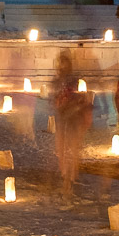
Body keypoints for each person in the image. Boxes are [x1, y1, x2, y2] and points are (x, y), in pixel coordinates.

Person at [51, 50, 92, 195]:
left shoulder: (75, 80)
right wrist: (59, 101)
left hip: (75, 117)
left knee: (74, 146)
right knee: (62, 146)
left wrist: (80, 102)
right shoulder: (56, 81)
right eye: (60, 63)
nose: (61, 66)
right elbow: (54, 98)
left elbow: (83, 97)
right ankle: (64, 174)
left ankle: (73, 174)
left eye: (64, 63)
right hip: (63, 117)